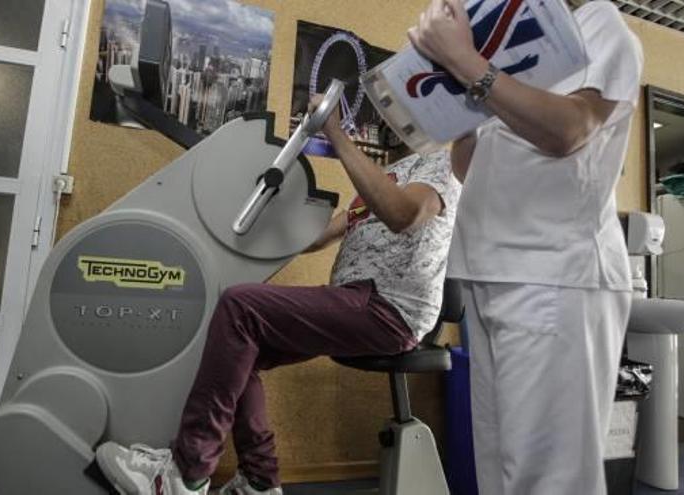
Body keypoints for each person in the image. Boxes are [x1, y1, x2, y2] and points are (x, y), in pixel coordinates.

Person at [93, 97, 462, 495]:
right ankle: (259, 481)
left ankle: (186, 474)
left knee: (240, 309)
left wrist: (335, 132)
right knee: (239, 349)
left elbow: (405, 215)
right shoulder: (388, 174)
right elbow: (318, 237)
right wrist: (239, 218)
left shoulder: (442, 165)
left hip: (388, 308)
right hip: (358, 298)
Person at [408, 0, 643, 493]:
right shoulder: (515, 47)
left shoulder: (599, 25)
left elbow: (569, 130)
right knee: (501, 471)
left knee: (550, 480)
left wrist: (466, 63)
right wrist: (459, 99)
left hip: (554, 275)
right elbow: (468, 168)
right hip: (493, 271)